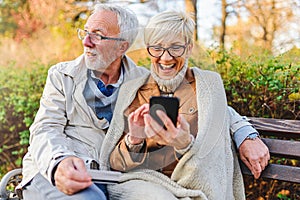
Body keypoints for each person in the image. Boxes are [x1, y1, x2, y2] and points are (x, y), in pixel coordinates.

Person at [99, 10, 270, 199]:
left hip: (194, 186)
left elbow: (221, 119)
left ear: (189, 48)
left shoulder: (207, 86)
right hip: (144, 183)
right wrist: (134, 140)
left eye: (176, 47)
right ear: (148, 48)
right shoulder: (133, 91)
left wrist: (186, 145)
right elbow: (114, 163)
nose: (165, 57)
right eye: (156, 47)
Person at [18, 4, 148, 200]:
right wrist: (59, 163)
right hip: (55, 170)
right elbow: (45, 128)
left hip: (114, 177)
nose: (86, 42)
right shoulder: (61, 75)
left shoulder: (144, 82)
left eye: (98, 35)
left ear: (122, 46)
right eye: (85, 32)